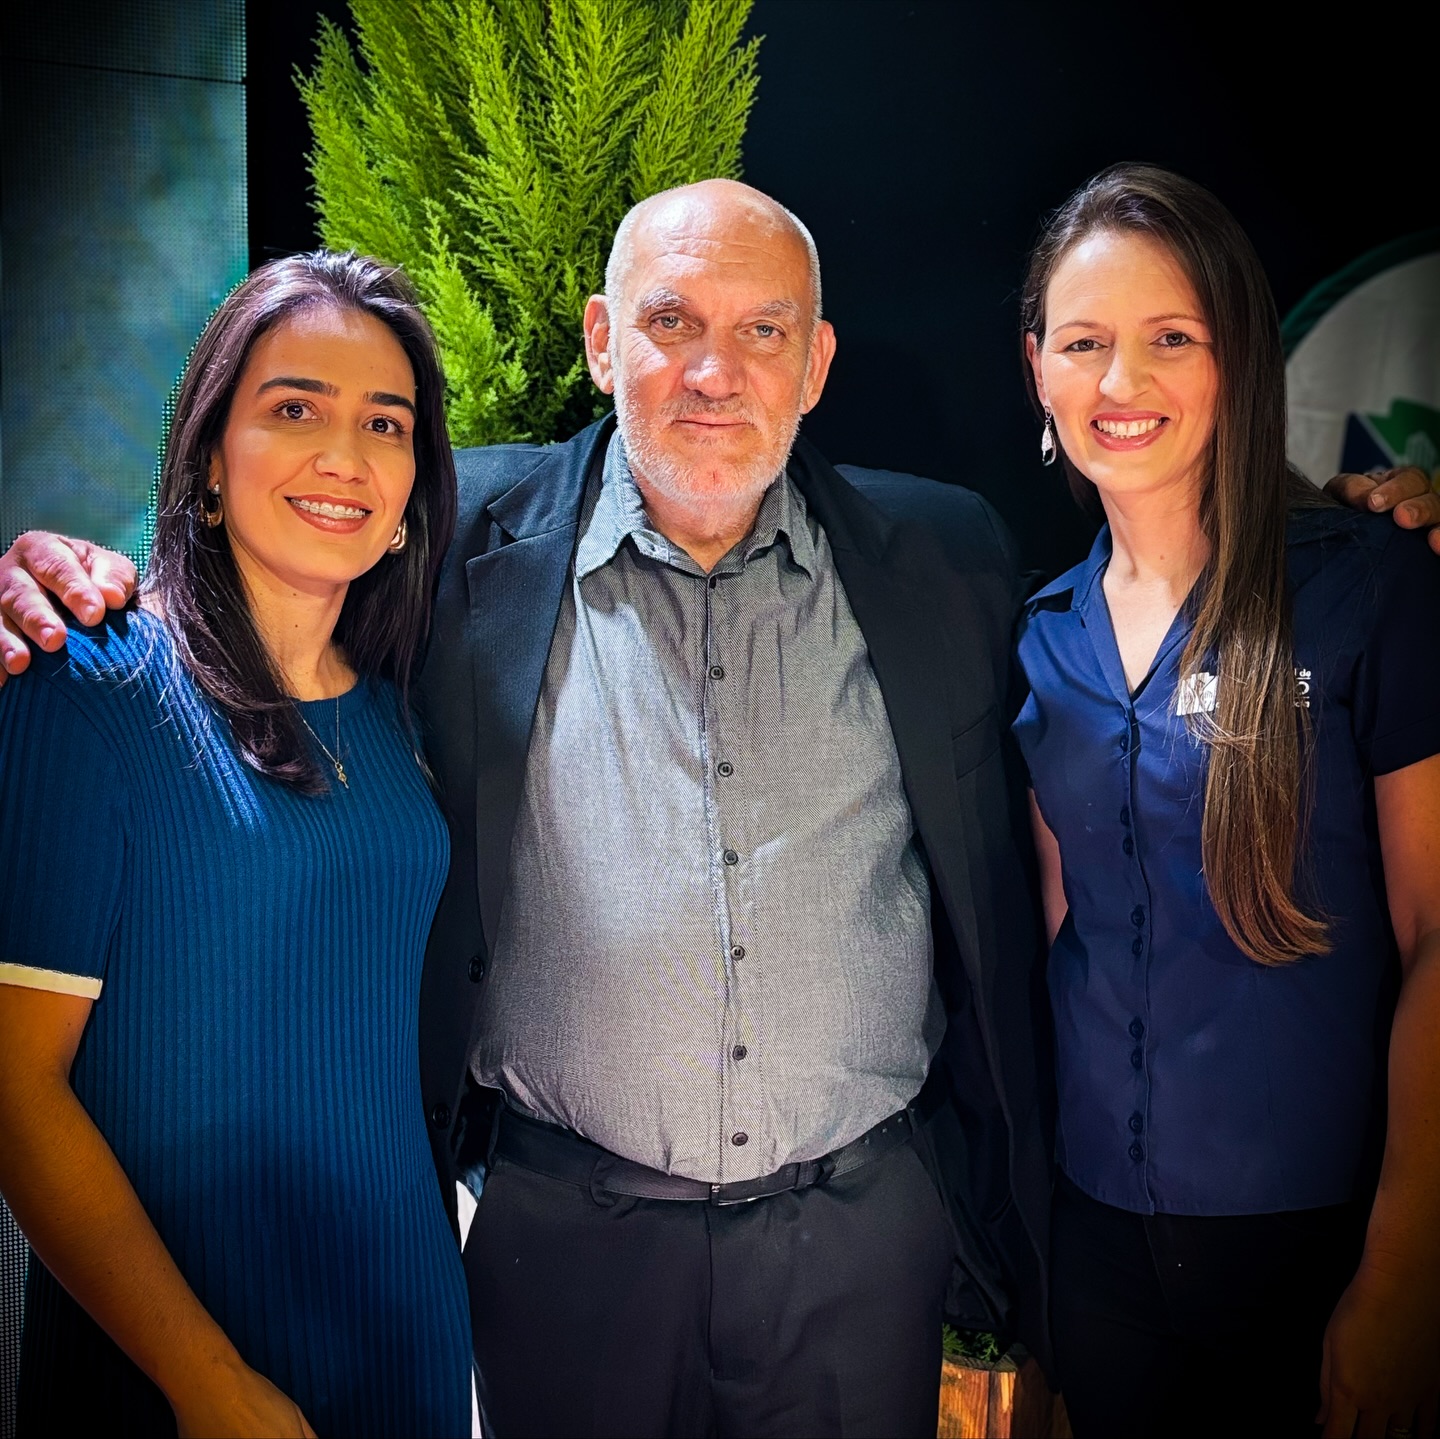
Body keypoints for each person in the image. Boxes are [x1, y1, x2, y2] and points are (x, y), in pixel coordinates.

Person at [3, 180, 1438, 1438]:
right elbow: (271, 568)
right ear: (600, 340)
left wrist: (1368, 514)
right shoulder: (448, 537)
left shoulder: (948, 558)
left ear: (816, 364)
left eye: (763, 331)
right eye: (673, 321)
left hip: (865, 1243)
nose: (714, 369)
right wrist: (80, 583)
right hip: (565, 1243)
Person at [0, 251, 472, 1437]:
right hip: (178, 1370)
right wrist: (204, 1379)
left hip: (405, 1339)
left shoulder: (399, 710)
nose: (345, 455)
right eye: (294, 408)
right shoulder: (90, 686)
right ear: (210, 453)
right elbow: (13, 1090)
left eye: (385, 422)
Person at [1012, 163, 1440, 1439]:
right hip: (1098, 1258)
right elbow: (1061, 936)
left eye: (1172, 338)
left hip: (1322, 1253)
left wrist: (1405, 1273)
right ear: (1037, 370)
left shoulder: (1368, 586)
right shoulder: (1039, 636)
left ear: (1237, 359)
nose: (1121, 380)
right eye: (1083, 342)